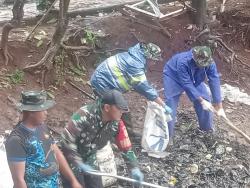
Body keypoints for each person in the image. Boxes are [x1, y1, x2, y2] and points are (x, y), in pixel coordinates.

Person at [60, 90, 144, 188]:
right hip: (71, 162)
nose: (122, 112)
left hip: (91, 160)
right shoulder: (84, 115)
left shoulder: (117, 124)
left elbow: (126, 148)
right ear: (107, 107)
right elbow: (66, 141)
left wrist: (134, 168)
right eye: (119, 109)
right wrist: (78, 163)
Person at [90, 43, 172, 134]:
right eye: (154, 61)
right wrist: (163, 105)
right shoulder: (135, 65)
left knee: (115, 109)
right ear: (148, 58)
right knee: (121, 109)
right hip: (102, 83)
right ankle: (124, 136)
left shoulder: (136, 57)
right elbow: (145, 88)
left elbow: (140, 84)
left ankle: (122, 133)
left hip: (104, 81)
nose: (154, 63)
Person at [5, 91, 82, 188]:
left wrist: (73, 180)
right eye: (43, 110)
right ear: (32, 112)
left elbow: (57, 153)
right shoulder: (17, 140)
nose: (46, 113)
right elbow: (18, 181)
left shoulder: (42, 127)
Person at [163, 46, 226, 138]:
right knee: (170, 106)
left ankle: (206, 131)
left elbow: (214, 79)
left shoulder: (210, 62)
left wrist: (219, 105)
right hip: (173, 76)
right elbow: (187, 84)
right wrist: (202, 101)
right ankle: (168, 137)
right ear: (194, 57)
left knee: (206, 100)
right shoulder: (183, 62)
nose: (201, 66)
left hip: (194, 79)